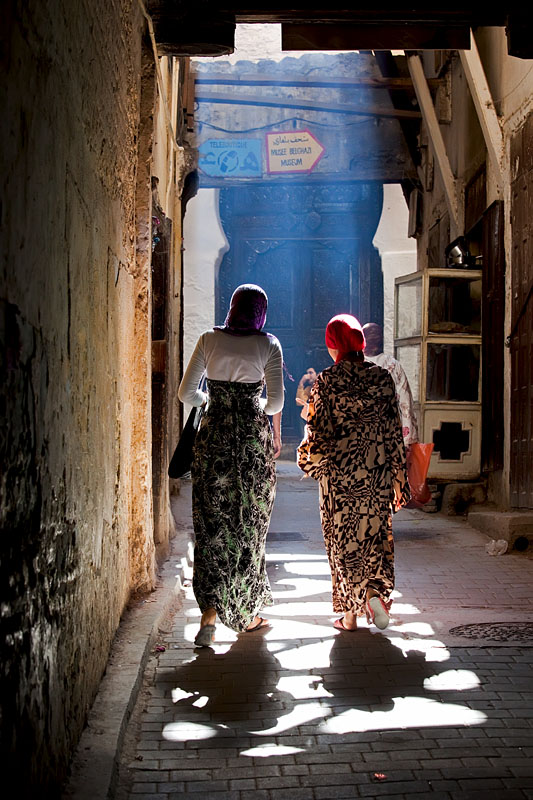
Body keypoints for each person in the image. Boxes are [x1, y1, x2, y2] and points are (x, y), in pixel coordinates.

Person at [178, 284, 284, 646]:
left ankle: (208, 616)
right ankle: (247, 613)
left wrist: (212, 400)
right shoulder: (268, 345)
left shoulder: (209, 340)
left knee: (211, 527)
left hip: (213, 444)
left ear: (232, 306)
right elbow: (275, 403)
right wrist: (251, 405)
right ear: (260, 312)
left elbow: (186, 394)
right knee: (249, 527)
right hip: (252, 448)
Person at [297, 314, 410, 631]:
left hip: (340, 480)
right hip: (376, 475)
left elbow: (318, 433)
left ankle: (349, 617)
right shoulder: (382, 378)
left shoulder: (326, 382)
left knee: (344, 546)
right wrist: (399, 480)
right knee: (375, 541)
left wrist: (307, 461)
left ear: (334, 346)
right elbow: (392, 434)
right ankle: (375, 595)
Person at [362, 323, 419, 449]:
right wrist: (408, 439)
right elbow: (405, 403)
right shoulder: (393, 365)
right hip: (389, 433)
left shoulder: (354, 365)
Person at [295, 367, 317, 437]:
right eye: (307, 373)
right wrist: (301, 383)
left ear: (317, 374)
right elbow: (299, 402)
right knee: (299, 412)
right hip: (314, 417)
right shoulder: (309, 389)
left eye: (310, 373)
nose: (308, 376)